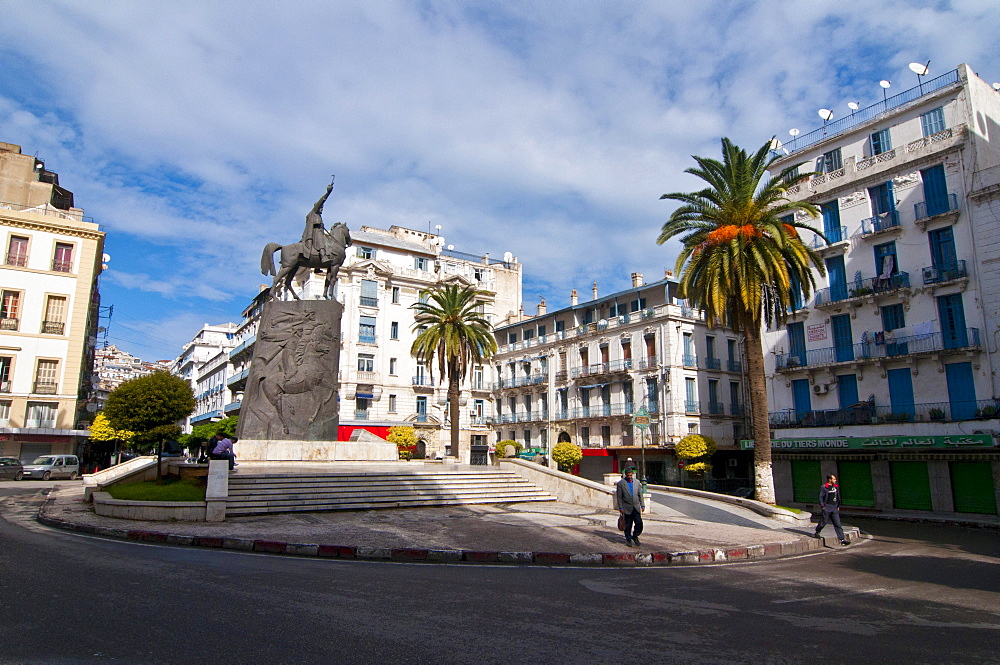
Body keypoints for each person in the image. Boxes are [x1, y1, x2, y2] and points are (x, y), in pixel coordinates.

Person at [815, 474, 849, 545]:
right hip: (827, 507)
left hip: (834, 508)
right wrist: (823, 506)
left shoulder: (835, 487)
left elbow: (837, 497)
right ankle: (817, 531)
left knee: (838, 524)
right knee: (823, 522)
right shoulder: (824, 487)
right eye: (834, 479)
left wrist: (837, 505)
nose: (835, 480)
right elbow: (820, 497)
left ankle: (842, 540)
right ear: (830, 480)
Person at [615, 468, 645, 547]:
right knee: (628, 524)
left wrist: (642, 505)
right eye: (628, 475)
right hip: (627, 508)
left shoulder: (637, 482)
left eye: (631, 475)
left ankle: (635, 536)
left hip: (636, 507)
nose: (629, 477)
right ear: (625, 475)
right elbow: (619, 497)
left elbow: (640, 495)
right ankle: (628, 539)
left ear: (633, 474)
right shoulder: (621, 484)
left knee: (639, 523)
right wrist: (621, 508)